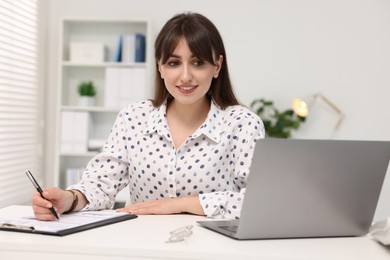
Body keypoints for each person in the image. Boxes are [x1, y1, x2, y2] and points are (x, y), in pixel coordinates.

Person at [31, 12, 265, 221]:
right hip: (140, 248)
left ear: (217, 66)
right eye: (174, 63)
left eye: (198, 62)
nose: (185, 76)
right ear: (160, 67)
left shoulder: (242, 123)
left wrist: (179, 205)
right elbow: (100, 184)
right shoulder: (133, 117)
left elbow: (260, 201)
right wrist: (70, 198)